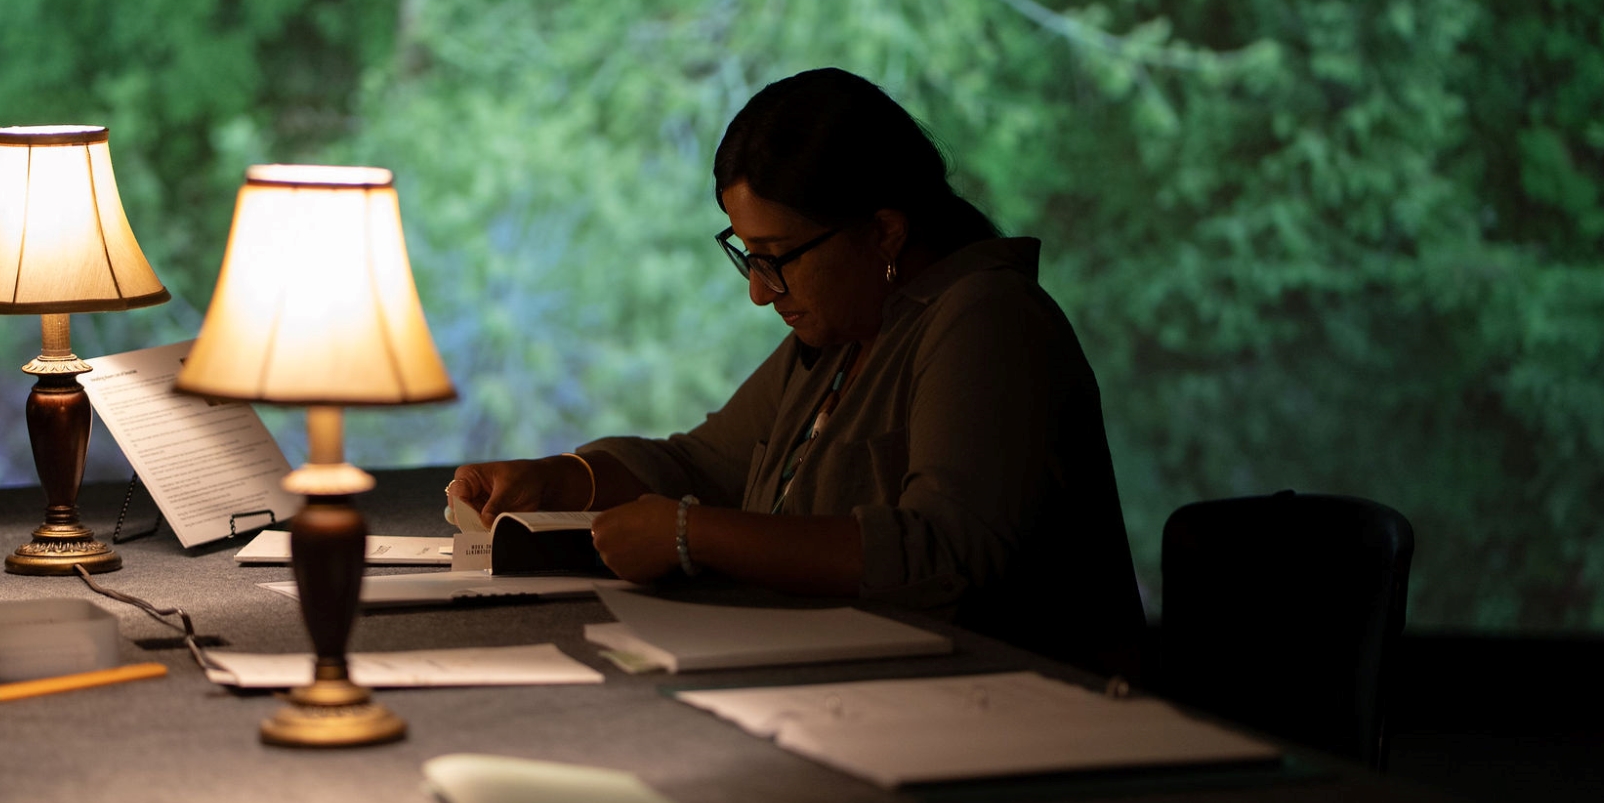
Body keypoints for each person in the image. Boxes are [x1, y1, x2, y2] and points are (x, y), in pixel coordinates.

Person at [449, 67, 1143, 673]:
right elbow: (703, 463)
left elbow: (942, 553)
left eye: (778, 255)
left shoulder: (988, 319)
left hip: (1011, 720)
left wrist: (692, 535)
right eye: (747, 253)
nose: (759, 288)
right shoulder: (844, 334)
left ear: (884, 231)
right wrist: (561, 478)